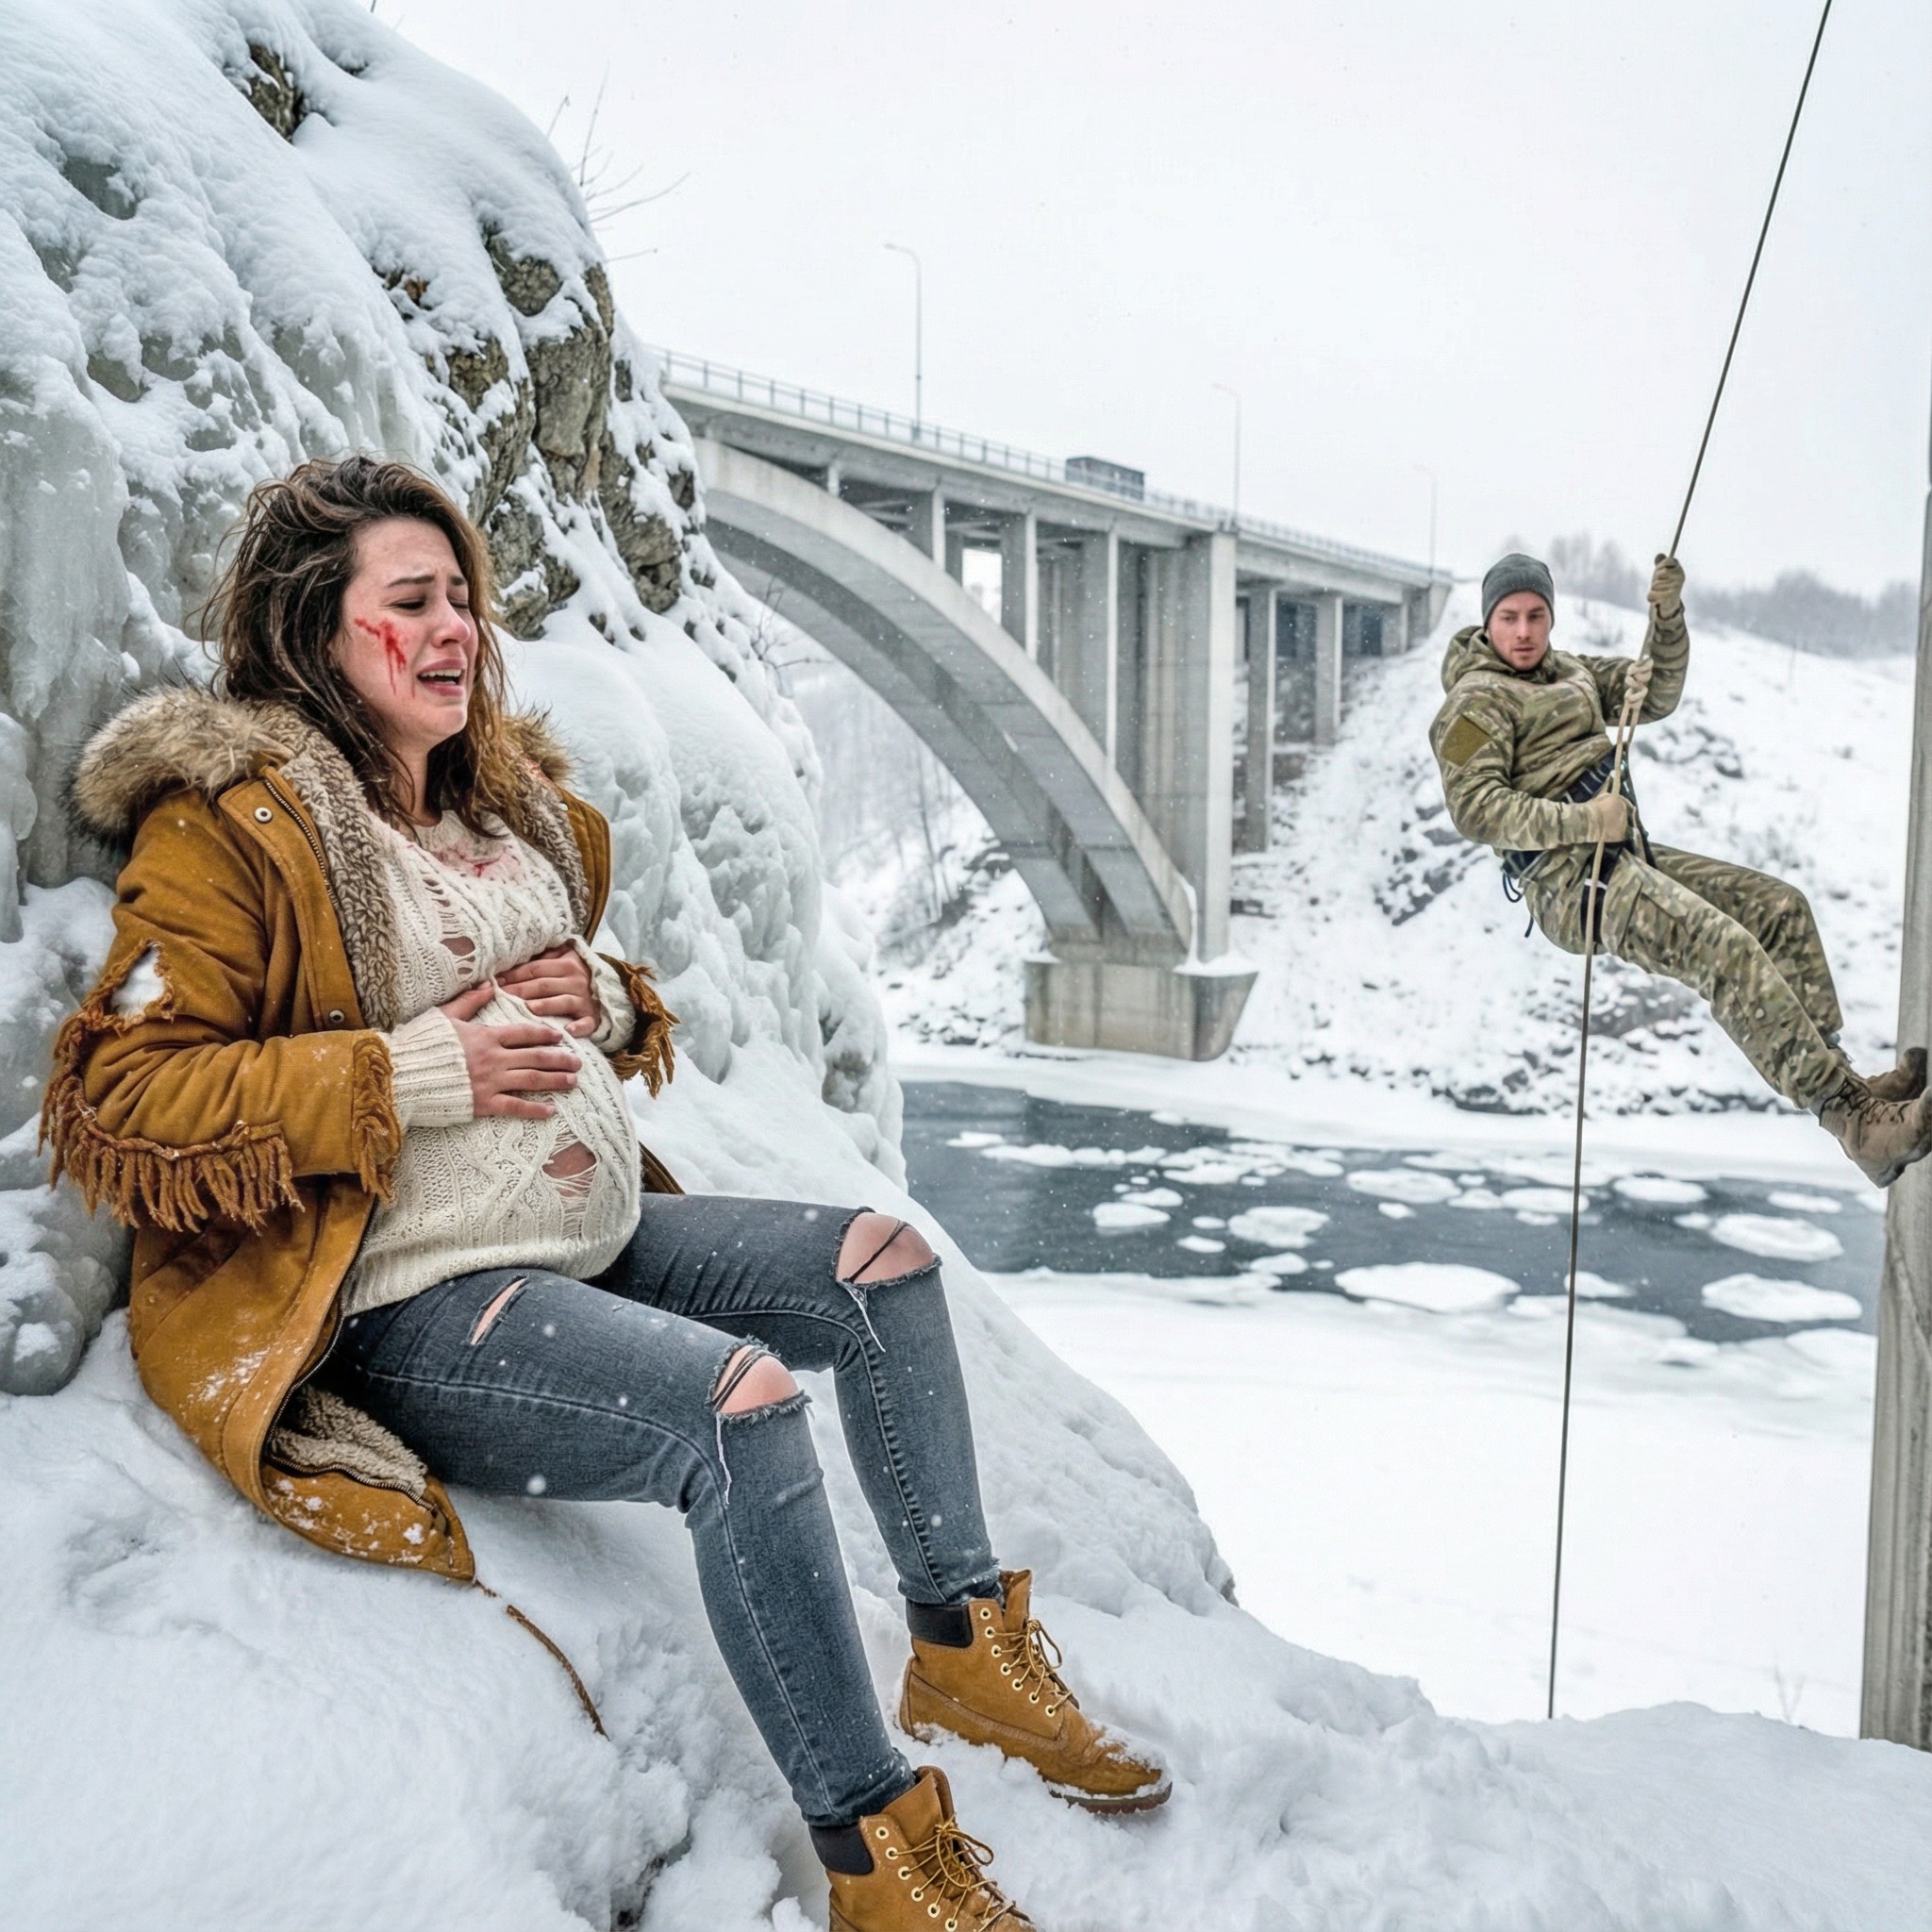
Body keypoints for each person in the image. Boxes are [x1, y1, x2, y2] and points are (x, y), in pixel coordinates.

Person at [46, 455, 1169, 1932]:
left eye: (461, 598)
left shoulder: (498, 802)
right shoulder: (237, 829)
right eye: (410, 603)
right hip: (403, 1297)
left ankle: (964, 1651)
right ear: (321, 633)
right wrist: (413, 1073)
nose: (454, 630)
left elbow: (575, 998)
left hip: (592, 1235)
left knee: (887, 1264)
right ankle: (877, 1852)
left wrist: (615, 1002)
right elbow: (121, 1097)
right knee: (739, 1406)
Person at [1429, 551, 1932, 1187]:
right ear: (1488, 622)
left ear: (1551, 617)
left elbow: (1655, 691)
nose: (1523, 631)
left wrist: (1666, 616)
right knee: (1722, 949)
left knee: (1779, 908)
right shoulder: (1473, 704)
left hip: (1625, 853)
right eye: (1509, 618)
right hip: (1572, 883)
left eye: (1535, 615)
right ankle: (1855, 1121)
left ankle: (1848, 1081)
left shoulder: (1573, 673)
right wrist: (1584, 823)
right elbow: (1475, 809)